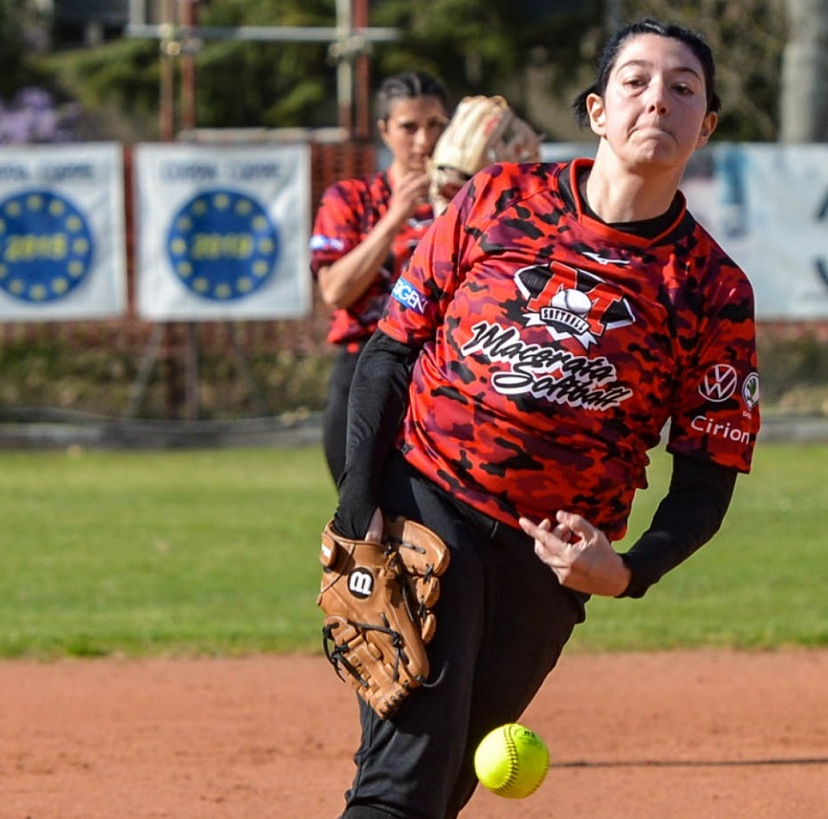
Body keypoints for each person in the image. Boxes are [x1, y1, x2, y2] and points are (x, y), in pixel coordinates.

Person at [330, 18, 760, 819]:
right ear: (597, 110)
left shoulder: (710, 288)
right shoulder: (498, 202)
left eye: (682, 87)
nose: (655, 99)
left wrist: (629, 572)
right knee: (402, 786)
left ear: (705, 126)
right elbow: (388, 351)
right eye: (634, 80)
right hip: (431, 505)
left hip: (550, 559)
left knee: (443, 784)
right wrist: (361, 505)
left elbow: (708, 473)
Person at [310, 71, 451, 486]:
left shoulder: (469, 203)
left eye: (436, 125)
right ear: (385, 131)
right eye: (409, 127)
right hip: (364, 365)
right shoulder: (351, 200)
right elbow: (335, 291)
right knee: (363, 528)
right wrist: (394, 218)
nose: (424, 141)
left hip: (441, 371)